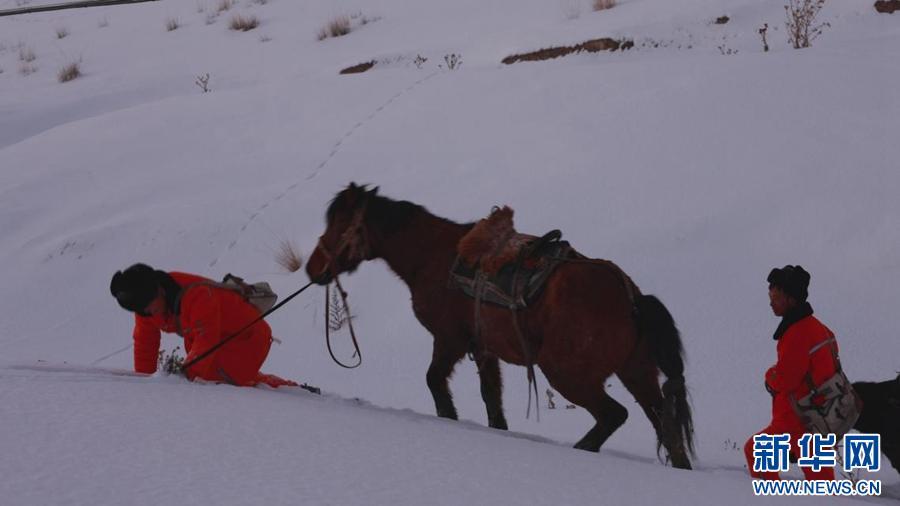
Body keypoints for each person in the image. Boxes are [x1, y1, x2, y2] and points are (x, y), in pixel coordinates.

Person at [110, 263, 296, 388]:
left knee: (221, 385)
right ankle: (286, 389)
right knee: (212, 378)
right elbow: (145, 345)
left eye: (148, 307)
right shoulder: (144, 306)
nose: (147, 313)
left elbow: (206, 340)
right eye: (141, 310)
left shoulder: (197, 295)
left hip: (248, 337)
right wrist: (145, 385)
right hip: (217, 337)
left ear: (160, 292)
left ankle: (286, 391)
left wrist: (183, 379)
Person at [744, 265, 837, 481]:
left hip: (795, 419)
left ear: (792, 300)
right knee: (822, 484)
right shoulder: (822, 329)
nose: (771, 303)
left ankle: (774, 497)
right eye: (770, 298)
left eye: (776, 298)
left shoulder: (796, 334)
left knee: (755, 452)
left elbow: (786, 380)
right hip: (820, 417)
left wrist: (770, 375)